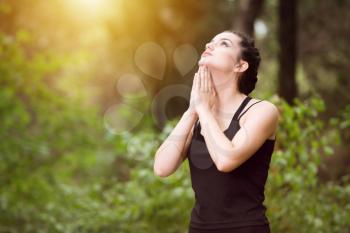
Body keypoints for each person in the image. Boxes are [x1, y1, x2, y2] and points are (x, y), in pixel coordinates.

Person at [153, 30, 279, 233]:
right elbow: (162, 168)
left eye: (224, 43)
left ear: (240, 65)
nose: (208, 46)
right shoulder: (200, 116)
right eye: (210, 42)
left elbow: (226, 161)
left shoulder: (261, 111)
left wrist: (203, 108)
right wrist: (193, 110)